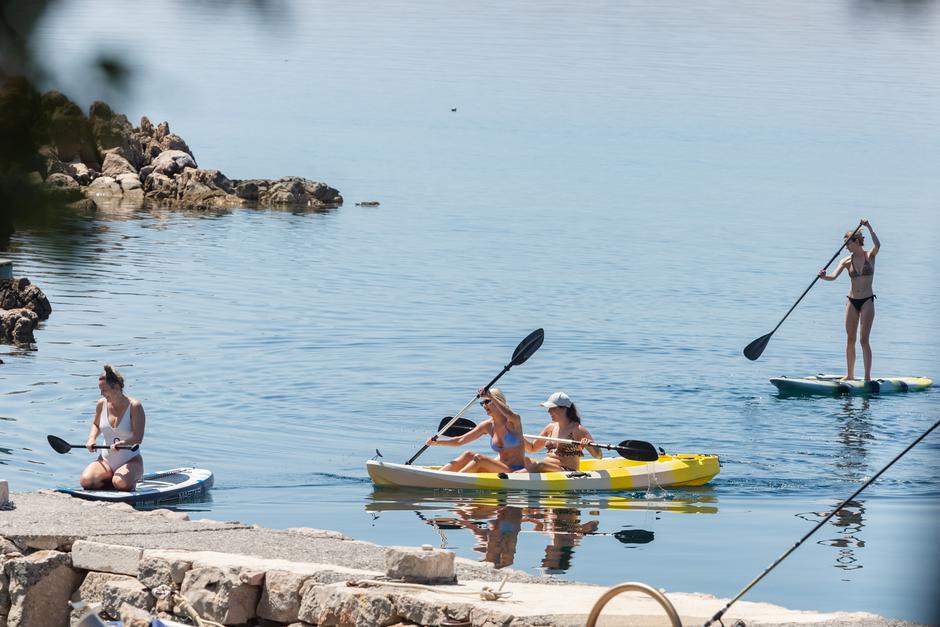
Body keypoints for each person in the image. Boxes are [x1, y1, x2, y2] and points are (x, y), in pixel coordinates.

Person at [817, 219, 881, 381]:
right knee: (850, 339)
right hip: (852, 301)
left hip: (867, 300)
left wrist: (869, 227)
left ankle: (867, 377)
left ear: (856, 241)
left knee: (863, 340)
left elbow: (878, 245)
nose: (846, 247)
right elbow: (832, 277)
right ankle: (850, 375)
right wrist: (823, 277)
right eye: (845, 244)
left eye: (848, 244)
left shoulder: (870, 255)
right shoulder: (845, 261)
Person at [425, 387, 526, 473]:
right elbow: (460, 440)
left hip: (516, 472)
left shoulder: (513, 421)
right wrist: (437, 442)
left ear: (498, 401)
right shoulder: (487, 426)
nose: (484, 405)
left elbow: (509, 414)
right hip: (498, 468)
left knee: (479, 458)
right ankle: (440, 475)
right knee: (468, 455)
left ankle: (453, 480)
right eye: (482, 403)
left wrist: (491, 396)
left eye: (487, 401)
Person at [79, 364, 146, 491]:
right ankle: (110, 478)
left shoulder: (135, 406)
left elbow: (138, 438)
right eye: (100, 390)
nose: (101, 394)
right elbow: (96, 424)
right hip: (105, 460)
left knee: (120, 483)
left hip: (131, 460)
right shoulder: (101, 404)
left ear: (116, 387)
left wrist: (123, 443)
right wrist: (91, 439)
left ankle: (125, 481)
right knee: (86, 481)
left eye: (104, 390)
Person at [524, 392, 602, 472]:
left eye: (552, 408)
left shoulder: (578, 430)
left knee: (540, 465)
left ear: (564, 408)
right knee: (525, 460)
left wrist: (590, 445)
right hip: (547, 469)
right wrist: (518, 435)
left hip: (566, 472)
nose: (549, 411)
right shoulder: (550, 428)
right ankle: (512, 478)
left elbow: (598, 456)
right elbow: (532, 448)